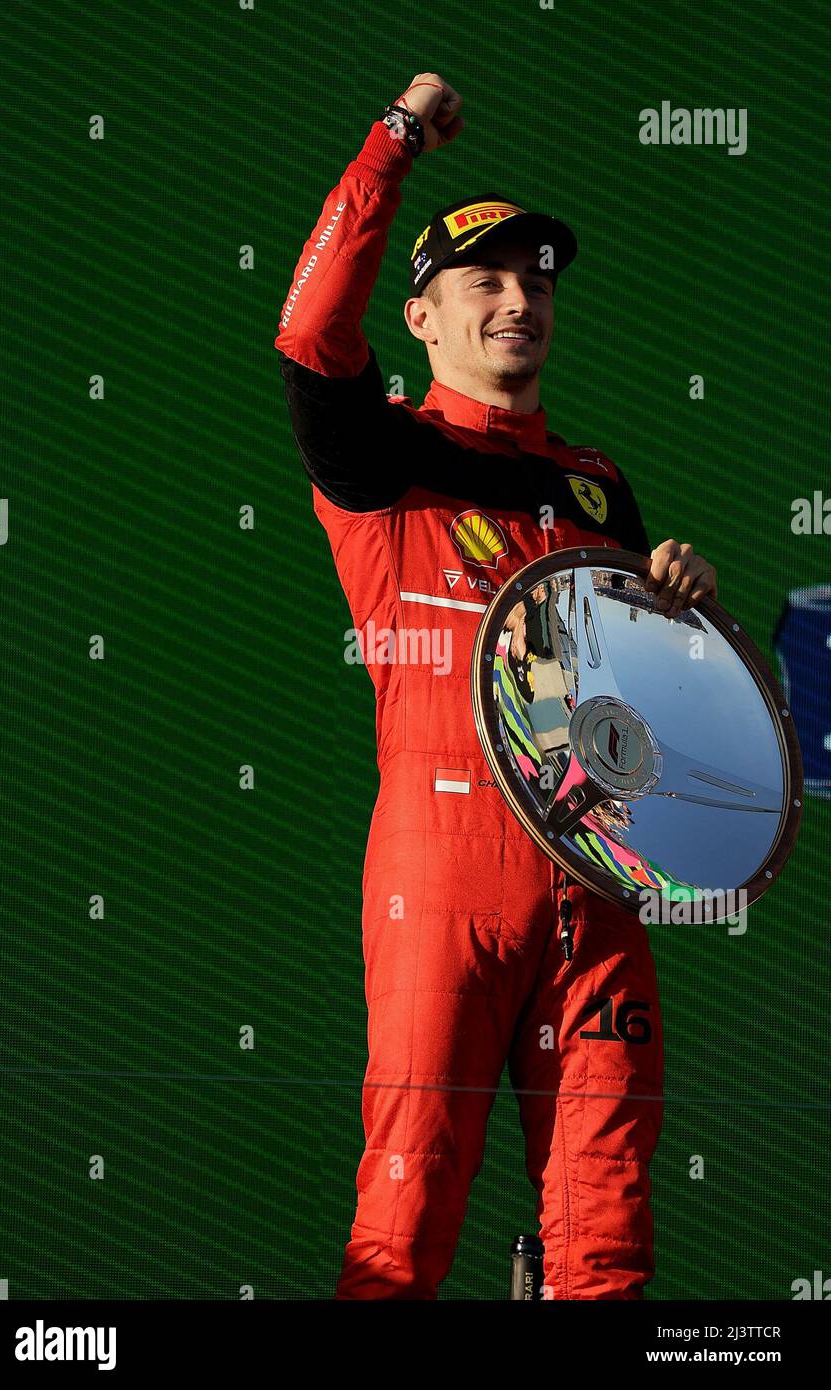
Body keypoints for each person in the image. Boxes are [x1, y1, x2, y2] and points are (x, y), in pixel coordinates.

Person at [274, 73, 717, 1300]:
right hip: (442, 873)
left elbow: (648, 716)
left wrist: (688, 613)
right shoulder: (382, 455)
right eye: (484, 281)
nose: (518, 300)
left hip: (601, 879)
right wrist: (394, 137)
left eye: (535, 280)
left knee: (606, 1226)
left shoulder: (594, 485)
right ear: (419, 316)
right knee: (406, 1210)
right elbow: (311, 332)